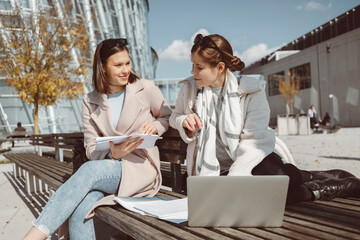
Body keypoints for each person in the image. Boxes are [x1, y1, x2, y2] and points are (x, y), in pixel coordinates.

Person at [170, 33, 360, 205]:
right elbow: (174, 117)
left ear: (220, 67)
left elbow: (254, 143)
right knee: (257, 195)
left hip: (250, 160)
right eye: (192, 65)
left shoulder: (250, 91)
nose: (192, 72)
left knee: (274, 179)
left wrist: (235, 180)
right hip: (211, 169)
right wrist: (183, 121)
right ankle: (319, 187)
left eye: (199, 67)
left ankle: (311, 177)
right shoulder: (189, 89)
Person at [23, 38, 172, 240]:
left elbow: (168, 116)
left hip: (139, 169)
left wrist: (155, 126)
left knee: (89, 171)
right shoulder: (90, 100)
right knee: (81, 209)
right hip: (107, 170)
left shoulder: (145, 88)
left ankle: (35, 235)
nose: (125, 70)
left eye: (127, 63)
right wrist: (113, 152)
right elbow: (91, 149)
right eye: (118, 65)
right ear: (103, 67)